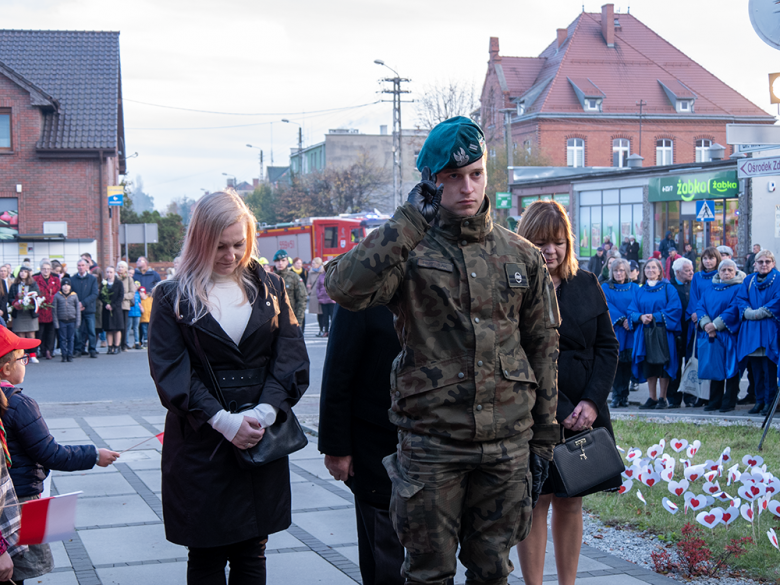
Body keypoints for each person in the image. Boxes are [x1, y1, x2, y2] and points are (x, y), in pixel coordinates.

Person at [326, 116, 560, 585]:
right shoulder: (409, 250)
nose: (467, 188)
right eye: (452, 177)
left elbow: (544, 347)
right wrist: (409, 221)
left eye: (475, 173)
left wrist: (543, 439)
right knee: (428, 574)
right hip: (432, 446)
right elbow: (344, 289)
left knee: (493, 570)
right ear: (431, 182)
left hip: (506, 446)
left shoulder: (521, 256)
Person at [148, 190, 309, 585]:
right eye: (219, 246)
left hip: (259, 436)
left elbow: (290, 356)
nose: (231, 255)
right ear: (199, 240)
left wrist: (263, 413)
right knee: (205, 554)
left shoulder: (269, 285)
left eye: (240, 244)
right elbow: (171, 372)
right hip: (203, 442)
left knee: (253, 550)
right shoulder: (172, 295)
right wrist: (223, 421)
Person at [515, 201, 619, 585]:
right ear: (526, 241)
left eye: (558, 241)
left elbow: (608, 347)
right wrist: (558, 407)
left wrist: (592, 402)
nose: (551, 250)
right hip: (535, 412)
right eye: (541, 241)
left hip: (586, 411)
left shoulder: (587, 283)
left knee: (571, 500)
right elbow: (515, 355)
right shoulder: (517, 287)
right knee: (536, 501)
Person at [0, 327, 119, 583]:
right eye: (23, 357)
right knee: (15, 573)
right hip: (17, 503)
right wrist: (93, 455)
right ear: (6, 368)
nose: (27, 363)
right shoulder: (19, 404)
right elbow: (50, 453)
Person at [319, 306, 404, 585]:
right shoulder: (364, 281)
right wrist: (336, 446)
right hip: (377, 444)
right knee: (386, 559)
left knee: (436, 560)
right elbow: (338, 370)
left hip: (439, 442)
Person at [722, 250, 780, 416]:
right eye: (760, 261)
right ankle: (759, 401)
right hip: (752, 331)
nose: (764, 264)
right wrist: (747, 311)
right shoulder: (748, 280)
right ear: (754, 264)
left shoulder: (778, 279)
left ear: (773, 263)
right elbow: (741, 299)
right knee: (755, 369)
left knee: (769, 368)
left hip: (769, 328)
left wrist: (761, 311)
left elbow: (778, 299)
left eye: (767, 261)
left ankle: (770, 402)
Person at [629, 257, 683, 410]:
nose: (650, 270)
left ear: (660, 271)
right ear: (643, 271)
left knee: (663, 365)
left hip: (663, 333)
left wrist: (655, 316)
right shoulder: (640, 290)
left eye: (654, 268)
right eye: (647, 268)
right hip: (644, 333)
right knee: (649, 366)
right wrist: (640, 317)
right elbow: (631, 310)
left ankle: (662, 398)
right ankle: (652, 397)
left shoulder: (668, 289)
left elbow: (675, 309)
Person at [695, 259, 744, 413]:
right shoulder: (710, 288)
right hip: (712, 335)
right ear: (719, 272)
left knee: (731, 368)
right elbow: (700, 306)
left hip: (728, 334)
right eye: (723, 270)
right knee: (714, 366)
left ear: (735, 272)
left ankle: (728, 401)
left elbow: (734, 309)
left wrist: (715, 325)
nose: (727, 273)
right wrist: (706, 324)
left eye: (730, 270)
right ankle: (714, 400)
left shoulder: (739, 288)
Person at [602, 259, 637, 408]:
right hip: (615, 329)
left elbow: (637, 303)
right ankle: (616, 396)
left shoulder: (634, 287)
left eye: (622, 270)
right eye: (616, 270)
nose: (618, 273)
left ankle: (625, 395)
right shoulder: (605, 287)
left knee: (627, 364)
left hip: (631, 330)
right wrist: (621, 319)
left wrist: (630, 319)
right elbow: (606, 304)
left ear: (627, 272)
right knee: (615, 365)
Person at [665, 257, 695, 408]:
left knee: (691, 364)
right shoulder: (669, 287)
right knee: (675, 366)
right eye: (687, 270)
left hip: (691, 330)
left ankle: (690, 397)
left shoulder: (694, 285)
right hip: (675, 331)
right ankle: (674, 398)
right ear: (677, 272)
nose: (691, 272)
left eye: (692, 269)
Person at [9, 268, 40, 363]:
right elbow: (10, 297)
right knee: (20, 335)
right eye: (21, 272)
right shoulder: (14, 285)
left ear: (28, 274)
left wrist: (30, 302)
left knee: (31, 334)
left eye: (25, 272)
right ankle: (22, 355)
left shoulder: (33, 284)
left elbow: (36, 296)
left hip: (29, 313)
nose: (23, 274)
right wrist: (15, 303)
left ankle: (33, 355)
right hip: (19, 313)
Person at [32, 260, 60, 361]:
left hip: (52, 309)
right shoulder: (35, 279)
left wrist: (50, 299)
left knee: (51, 332)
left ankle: (49, 350)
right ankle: (41, 349)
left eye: (48, 269)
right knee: (40, 332)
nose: (46, 271)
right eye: (44, 269)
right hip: (40, 310)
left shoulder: (55, 279)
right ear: (41, 269)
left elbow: (57, 293)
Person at [71, 260, 99, 358]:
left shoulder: (92, 279)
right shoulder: (73, 279)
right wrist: (77, 304)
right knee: (77, 331)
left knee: (91, 330)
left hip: (89, 309)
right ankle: (78, 349)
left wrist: (83, 303)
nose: (81, 267)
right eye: (79, 265)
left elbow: (95, 293)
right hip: (77, 310)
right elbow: (71, 294)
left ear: (87, 267)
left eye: (83, 265)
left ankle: (92, 349)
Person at [272, 250, 306, 326]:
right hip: (273, 321)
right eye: (278, 261)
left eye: (283, 260)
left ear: (287, 262)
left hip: (290, 320)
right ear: (274, 262)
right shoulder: (269, 278)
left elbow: (302, 300)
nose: (280, 263)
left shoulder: (294, 277)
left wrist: (298, 321)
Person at [52, 278, 80, 362]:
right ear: (61, 286)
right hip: (62, 321)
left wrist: (78, 321)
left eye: (68, 285)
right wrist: (56, 323)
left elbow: (78, 309)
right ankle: (63, 355)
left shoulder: (74, 295)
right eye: (64, 285)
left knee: (71, 338)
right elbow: (54, 311)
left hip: (71, 320)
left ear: (70, 286)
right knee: (62, 339)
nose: (66, 287)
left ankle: (70, 354)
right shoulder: (57, 296)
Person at [101, 266, 124, 355]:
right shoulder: (104, 283)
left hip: (116, 309)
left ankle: (117, 346)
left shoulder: (119, 283)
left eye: (111, 272)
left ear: (114, 272)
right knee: (109, 329)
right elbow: (101, 295)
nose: (109, 274)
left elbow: (120, 296)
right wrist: (106, 304)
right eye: (107, 272)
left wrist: (113, 306)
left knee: (117, 329)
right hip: (106, 309)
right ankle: (110, 347)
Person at [116, 261, 136, 352]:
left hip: (124, 305)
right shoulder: (115, 278)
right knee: (116, 325)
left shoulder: (129, 279)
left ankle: (123, 344)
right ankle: (116, 344)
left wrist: (122, 297)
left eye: (122, 267)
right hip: (115, 305)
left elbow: (132, 292)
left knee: (124, 325)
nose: (120, 268)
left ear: (126, 269)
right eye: (119, 267)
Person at [306, 258, 324, 336]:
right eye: (312, 263)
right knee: (318, 314)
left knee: (325, 314)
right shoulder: (310, 272)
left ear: (319, 264)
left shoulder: (324, 272)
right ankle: (321, 330)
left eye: (314, 263)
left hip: (323, 296)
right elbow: (308, 283)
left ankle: (325, 330)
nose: (312, 265)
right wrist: (310, 291)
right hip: (315, 296)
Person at [316, 268, 335, 337]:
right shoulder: (321, 276)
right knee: (325, 317)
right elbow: (317, 287)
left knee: (332, 317)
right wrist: (319, 296)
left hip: (332, 300)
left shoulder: (334, 275)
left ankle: (333, 331)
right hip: (323, 300)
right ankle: (326, 331)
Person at [127, 284, 142, 349]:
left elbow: (140, 302)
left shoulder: (138, 294)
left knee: (136, 328)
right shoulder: (129, 294)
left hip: (137, 313)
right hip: (130, 313)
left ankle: (137, 342)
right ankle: (126, 342)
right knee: (128, 328)